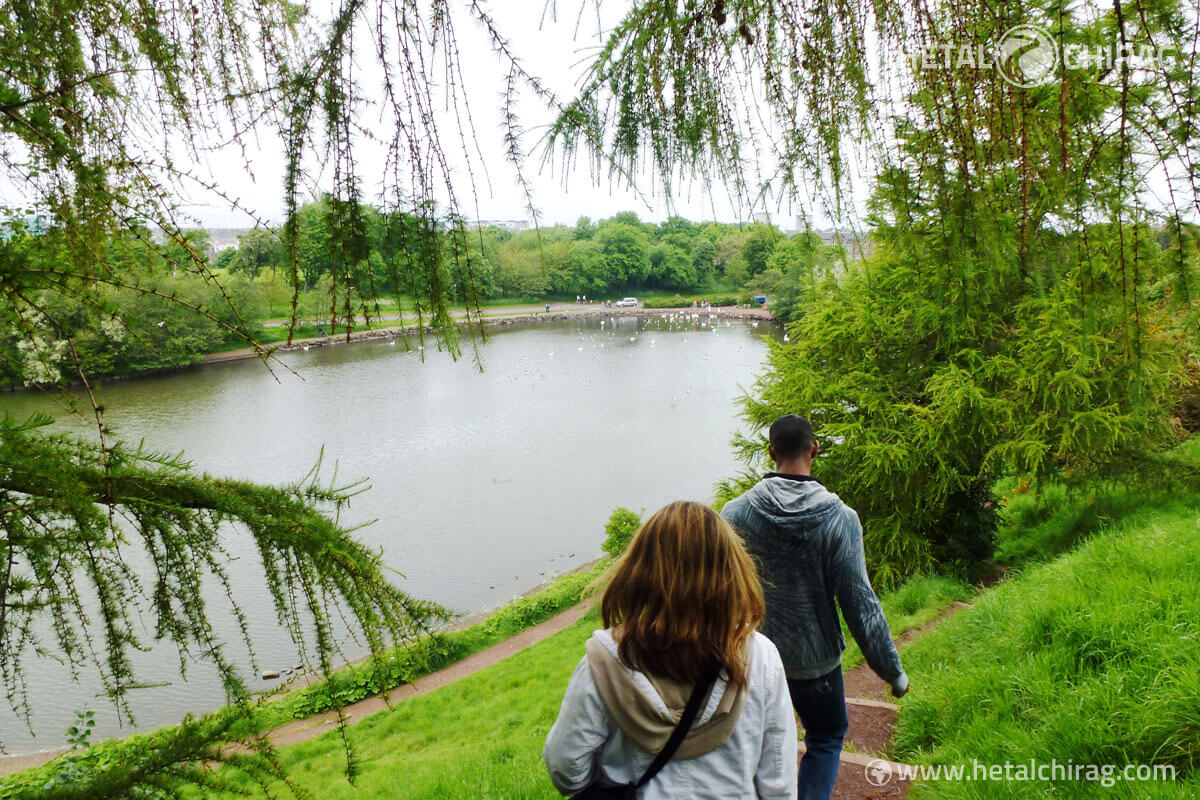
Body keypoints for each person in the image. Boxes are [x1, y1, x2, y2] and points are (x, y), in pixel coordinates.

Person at [544, 501, 797, 799]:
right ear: (731, 571)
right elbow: (778, 780)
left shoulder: (605, 661)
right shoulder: (761, 656)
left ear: (641, 570)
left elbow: (565, 769)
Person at [720, 414, 908, 800]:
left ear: (770, 452)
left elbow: (718, 596)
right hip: (816, 664)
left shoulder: (735, 515)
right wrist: (892, 672)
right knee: (824, 736)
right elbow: (861, 605)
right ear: (814, 450)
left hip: (751, 661)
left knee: (758, 747)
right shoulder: (841, 519)